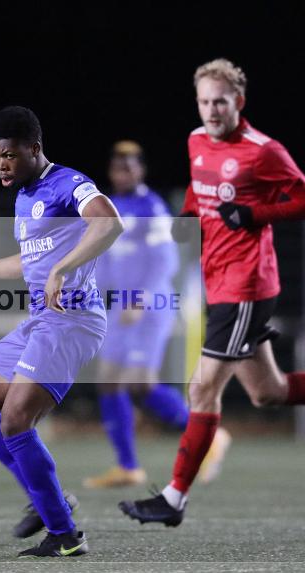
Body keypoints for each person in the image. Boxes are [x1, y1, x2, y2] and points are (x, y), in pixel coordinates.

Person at [120, 58, 305, 527]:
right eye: (205, 102)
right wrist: (188, 216)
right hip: (219, 280)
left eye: (221, 102)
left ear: (239, 103)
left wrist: (254, 214)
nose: (212, 110)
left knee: (201, 388)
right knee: (270, 392)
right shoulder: (195, 140)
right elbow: (199, 188)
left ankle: (173, 499)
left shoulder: (262, 150)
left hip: (247, 284)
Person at [0, 106, 123, 557]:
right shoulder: (22, 196)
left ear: (34, 149)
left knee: (15, 419)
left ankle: (65, 534)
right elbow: (28, 263)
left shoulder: (66, 183)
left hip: (72, 320)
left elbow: (109, 222)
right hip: (39, 319)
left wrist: (64, 267)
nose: (1, 163)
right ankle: (49, 501)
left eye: (10, 155)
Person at [84, 141, 230, 489]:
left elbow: (165, 259)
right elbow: (104, 261)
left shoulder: (152, 206)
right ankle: (128, 466)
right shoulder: (111, 207)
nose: (125, 172)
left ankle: (211, 436)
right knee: (109, 380)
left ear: (141, 170)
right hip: (122, 308)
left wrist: (139, 297)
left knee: (140, 383)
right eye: (119, 167)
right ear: (112, 171)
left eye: (131, 166)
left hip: (148, 307)